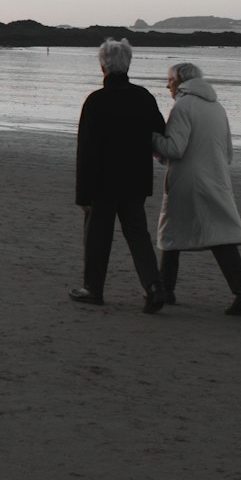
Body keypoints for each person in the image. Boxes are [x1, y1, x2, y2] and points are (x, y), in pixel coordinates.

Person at [152, 62, 241, 315]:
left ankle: (167, 289)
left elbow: (175, 148)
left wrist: (152, 138)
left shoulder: (183, 105)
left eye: (169, 80)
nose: (167, 85)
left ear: (179, 81)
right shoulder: (216, 107)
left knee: (171, 234)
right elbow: (228, 151)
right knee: (219, 234)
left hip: (189, 181)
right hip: (216, 176)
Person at [70, 37, 165, 313]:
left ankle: (93, 288)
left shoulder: (96, 101)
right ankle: (154, 286)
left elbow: (85, 151)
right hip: (135, 180)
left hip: (102, 182)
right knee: (138, 235)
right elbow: (159, 130)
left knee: (97, 236)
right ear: (128, 65)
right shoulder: (143, 97)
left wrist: (82, 195)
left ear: (103, 67)